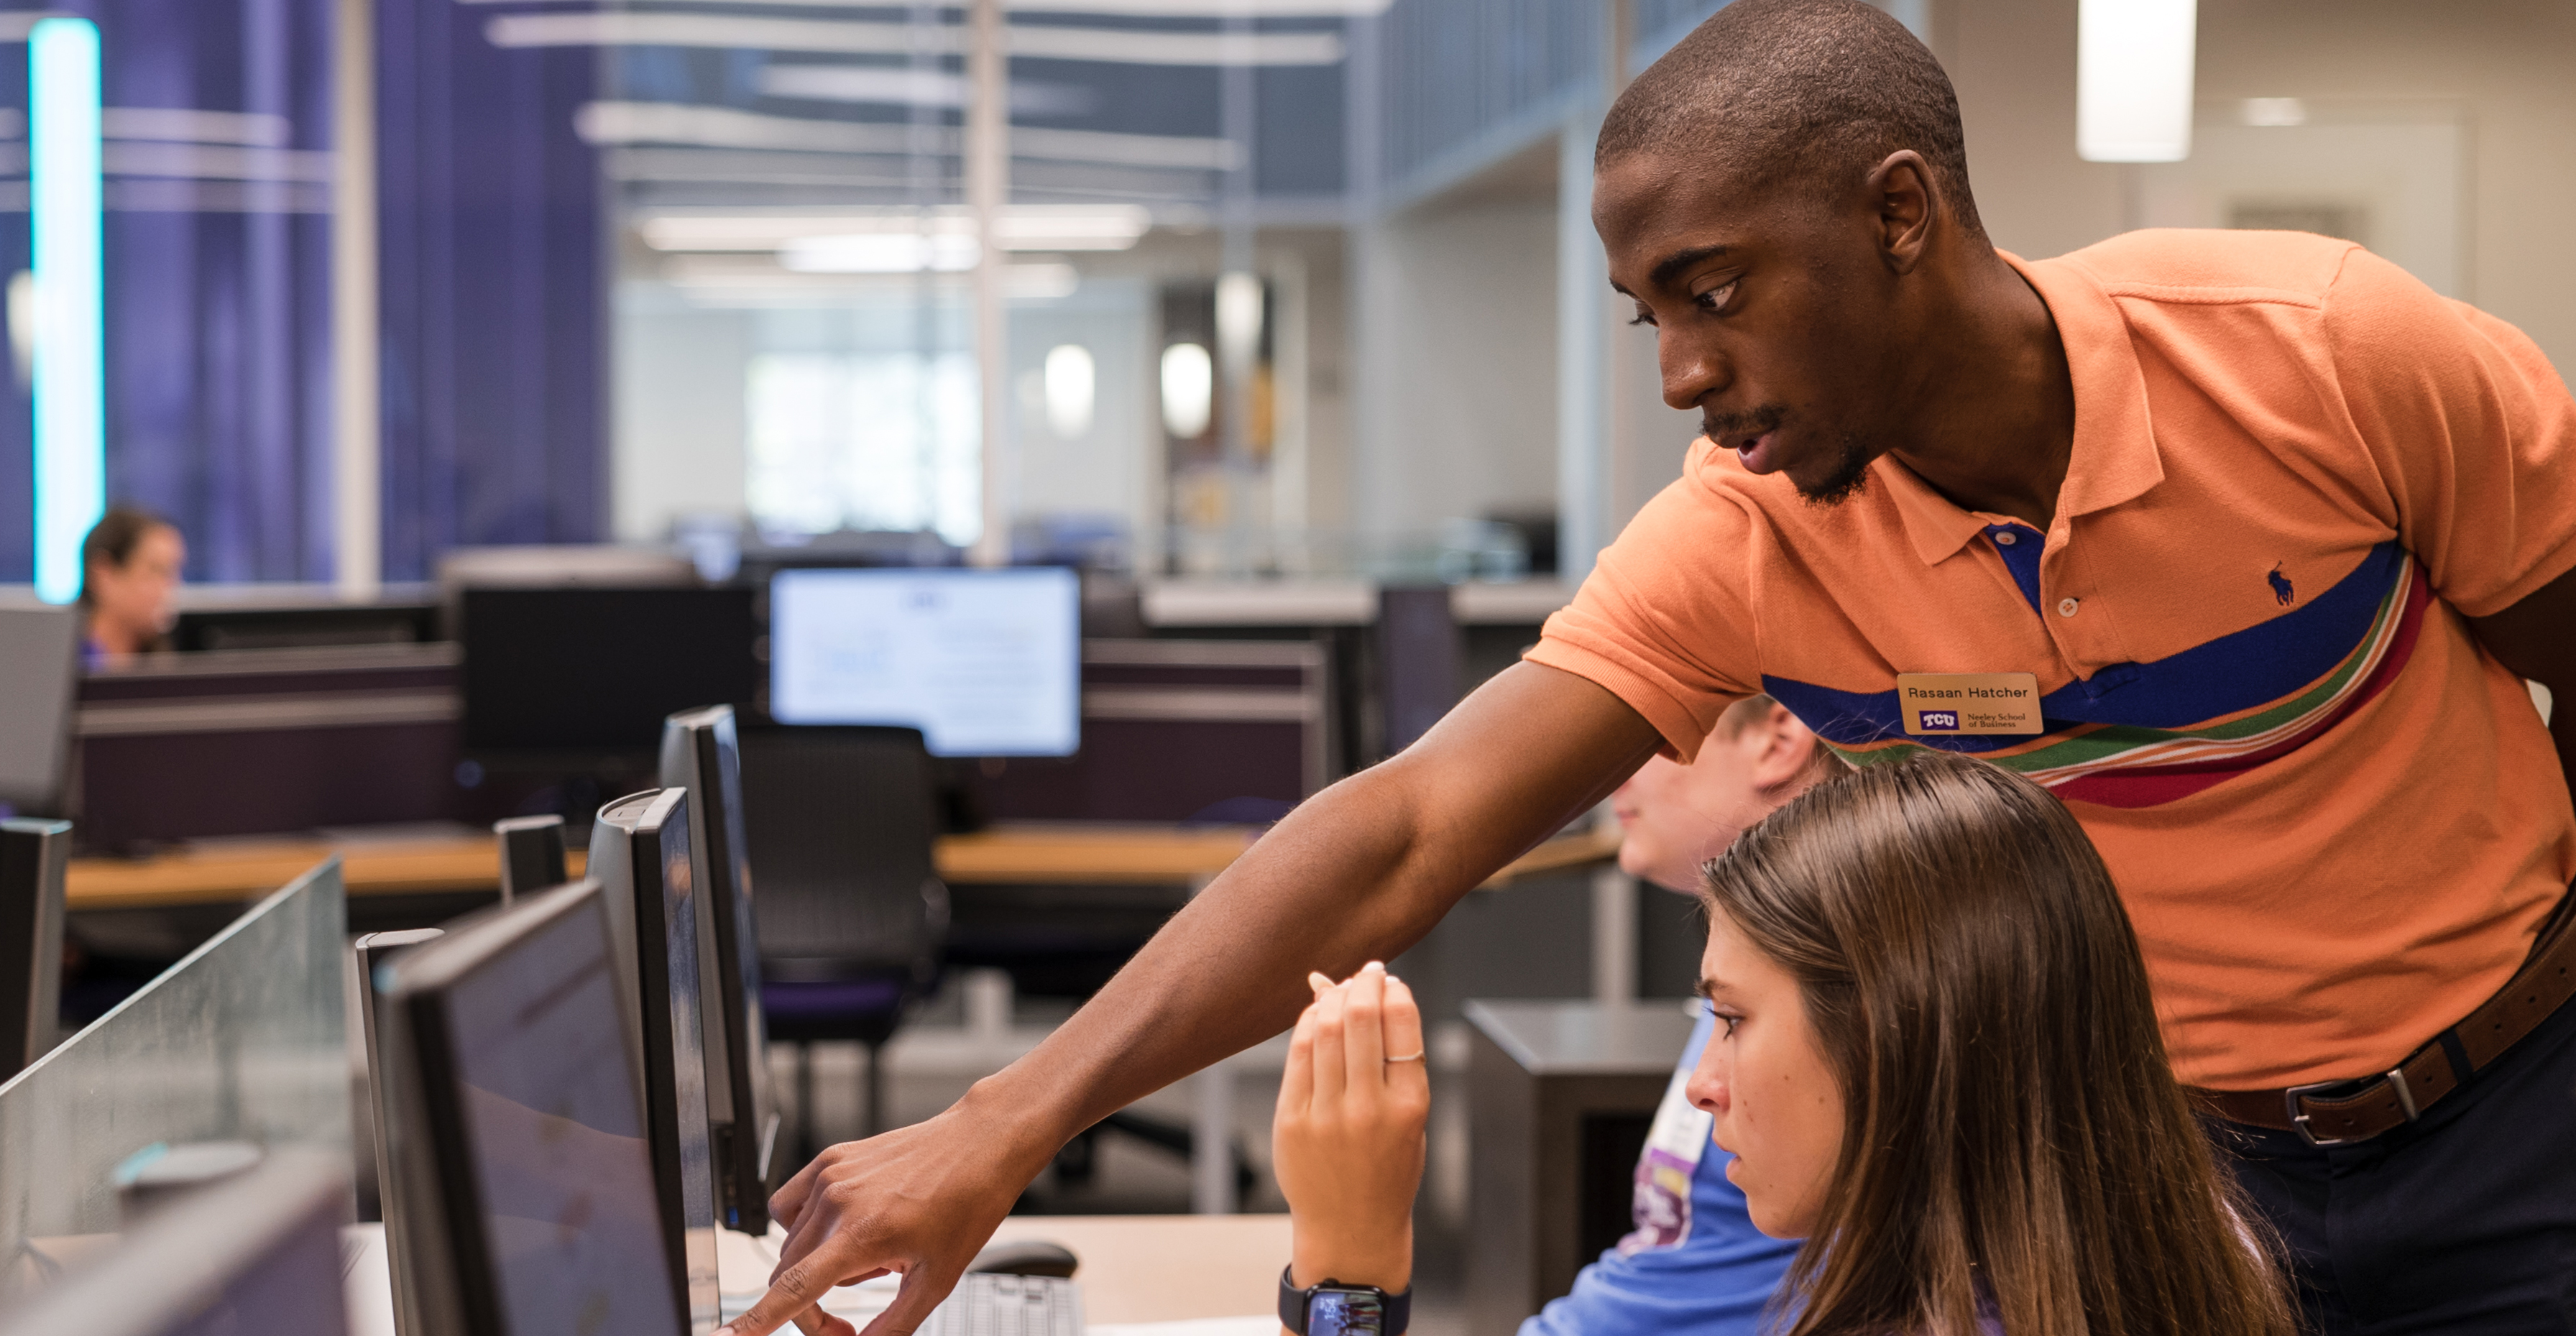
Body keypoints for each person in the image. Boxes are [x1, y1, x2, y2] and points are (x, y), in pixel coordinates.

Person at [727, 2, 2576, 1332]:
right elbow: (1410, 828)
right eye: (1649, 320)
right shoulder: (1750, 531)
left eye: (1714, 290)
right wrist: (1005, 1118)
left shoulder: (2328, 357)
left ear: (1899, 212)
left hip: (2514, 1114)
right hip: (2139, 1167)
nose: (1681, 374)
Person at [1269, 757, 2296, 1336]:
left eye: (1734, 1018)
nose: (1705, 1086)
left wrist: (1346, 1267)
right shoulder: (2185, 1264)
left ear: (1896, 1034)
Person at [1524, 695, 1836, 1336]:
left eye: (1645, 735)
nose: (1614, 775)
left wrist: (1353, 1269)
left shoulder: (1826, 987)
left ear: (1777, 739)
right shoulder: (1746, 973)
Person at [78, 506, 184, 669]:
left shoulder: (166, 666)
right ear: (103, 575)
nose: (172, 586)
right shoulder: (59, 667)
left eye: (175, 572)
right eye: (156, 570)